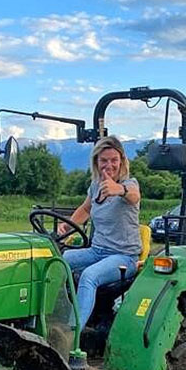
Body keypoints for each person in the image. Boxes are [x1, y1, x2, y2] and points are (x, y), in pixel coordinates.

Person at [60, 135, 142, 328]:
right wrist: (67, 226)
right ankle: (49, 318)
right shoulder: (95, 186)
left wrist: (118, 189)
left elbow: (134, 196)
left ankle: (72, 333)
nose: (109, 165)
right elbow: (86, 209)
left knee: (89, 276)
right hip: (97, 251)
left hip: (124, 256)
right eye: (104, 160)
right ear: (96, 162)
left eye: (114, 160)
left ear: (121, 162)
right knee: (57, 261)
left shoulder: (130, 184)